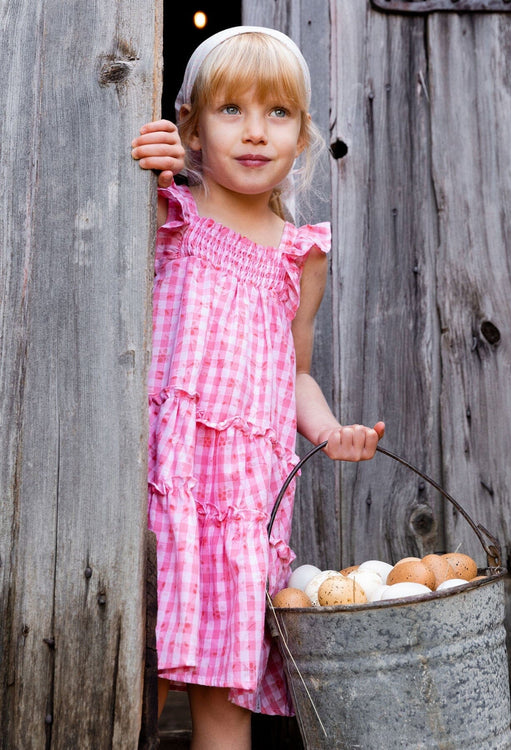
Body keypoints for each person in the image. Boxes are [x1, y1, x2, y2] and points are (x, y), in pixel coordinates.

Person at [131, 26, 385, 750]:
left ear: (301, 135)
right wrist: (145, 168)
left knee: (222, 699)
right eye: (230, 110)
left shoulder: (298, 258)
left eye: (276, 114)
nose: (253, 132)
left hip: (240, 500)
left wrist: (331, 430)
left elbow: (295, 370)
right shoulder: (168, 214)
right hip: (156, 477)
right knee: (129, 666)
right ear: (193, 129)